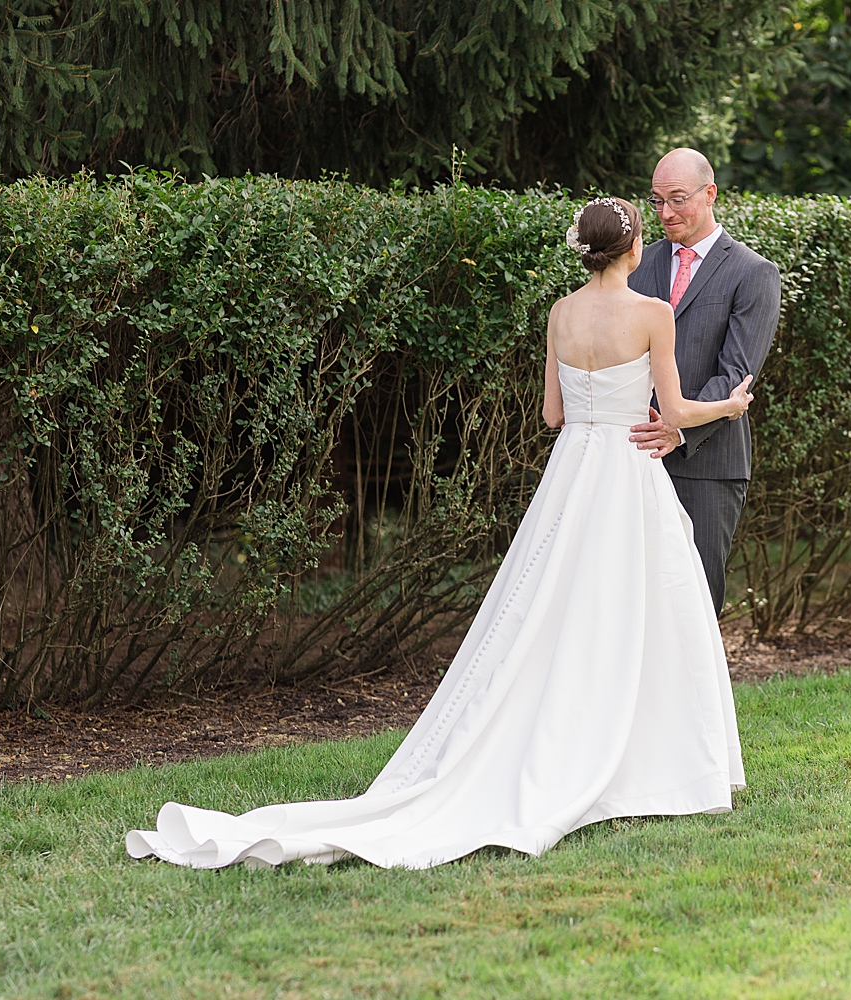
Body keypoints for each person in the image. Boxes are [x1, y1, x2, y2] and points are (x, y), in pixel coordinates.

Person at [126, 197, 752, 871]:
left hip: (573, 470)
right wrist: (730, 404)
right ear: (632, 252)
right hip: (629, 472)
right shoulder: (653, 313)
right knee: (640, 610)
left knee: (550, 608)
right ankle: (652, 766)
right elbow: (679, 408)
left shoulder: (561, 314)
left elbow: (550, 413)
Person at [628, 148, 782, 614]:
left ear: (710, 193)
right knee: (633, 594)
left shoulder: (753, 274)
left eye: (677, 199)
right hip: (633, 454)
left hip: (708, 463)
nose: (665, 213)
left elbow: (737, 374)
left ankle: (694, 690)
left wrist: (677, 427)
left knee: (693, 596)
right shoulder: (636, 263)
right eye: (656, 201)